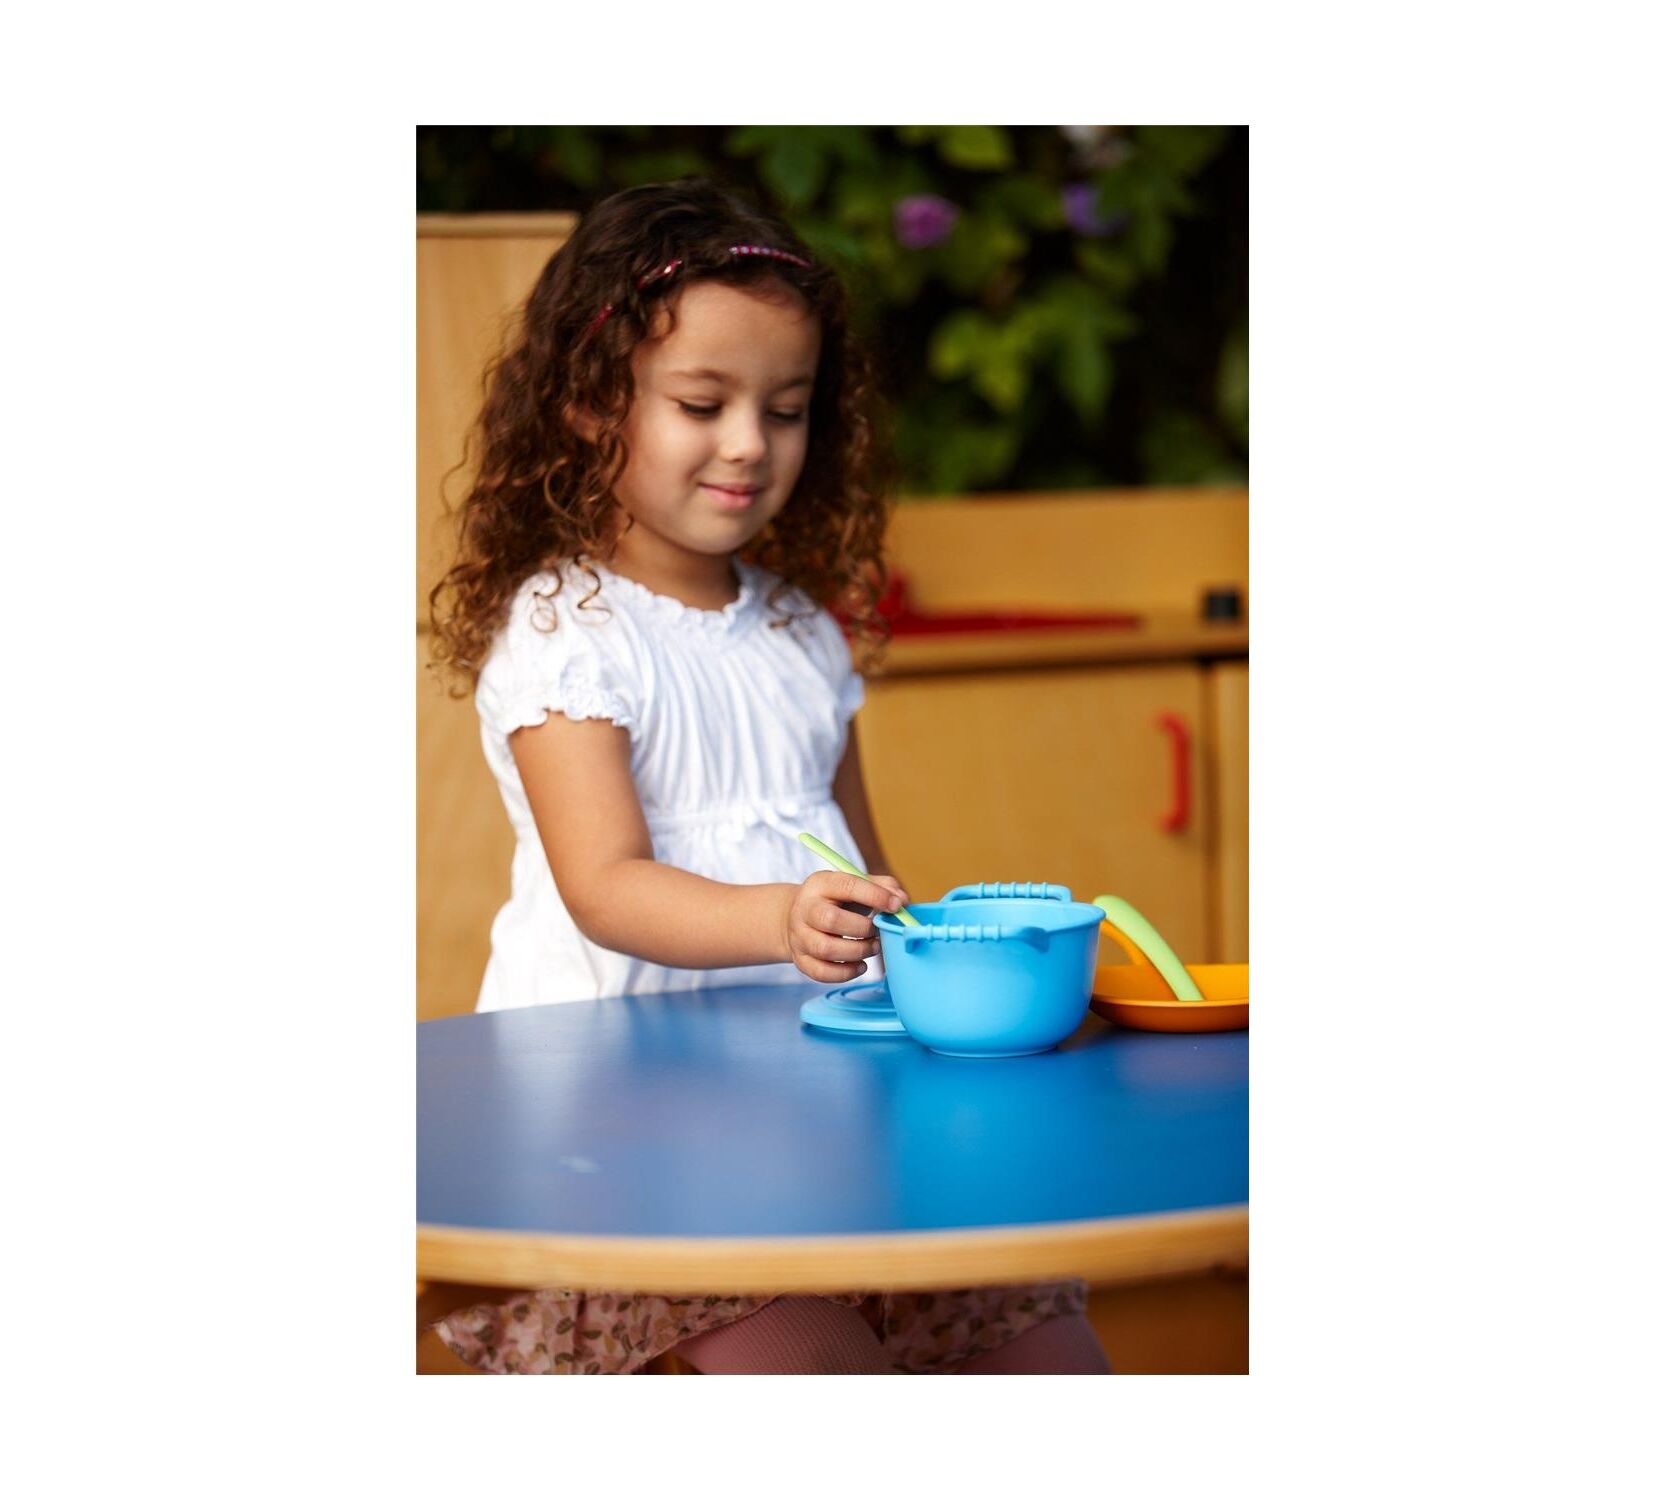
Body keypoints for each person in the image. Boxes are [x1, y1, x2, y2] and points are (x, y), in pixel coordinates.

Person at [425, 180, 1110, 1375]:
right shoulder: (565, 629)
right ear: (589, 405)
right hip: (624, 1130)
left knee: (1041, 1337)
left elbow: (865, 872)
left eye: (784, 409)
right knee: (815, 1363)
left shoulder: (802, 635)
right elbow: (605, 884)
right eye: (703, 403)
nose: (749, 442)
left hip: (818, 1109)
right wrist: (779, 921)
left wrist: (960, 966)